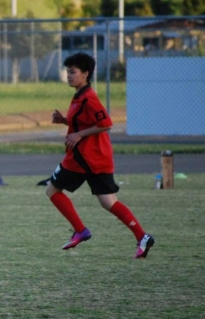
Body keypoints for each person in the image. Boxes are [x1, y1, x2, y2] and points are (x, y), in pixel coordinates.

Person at [47, 52, 154, 259]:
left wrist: (78, 134)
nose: (68, 75)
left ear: (85, 74)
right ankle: (142, 237)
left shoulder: (89, 98)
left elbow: (106, 123)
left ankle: (80, 230)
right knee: (108, 202)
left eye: (72, 72)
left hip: (84, 158)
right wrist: (64, 121)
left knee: (52, 190)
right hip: (97, 158)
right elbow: (86, 123)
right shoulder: (80, 95)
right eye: (67, 71)